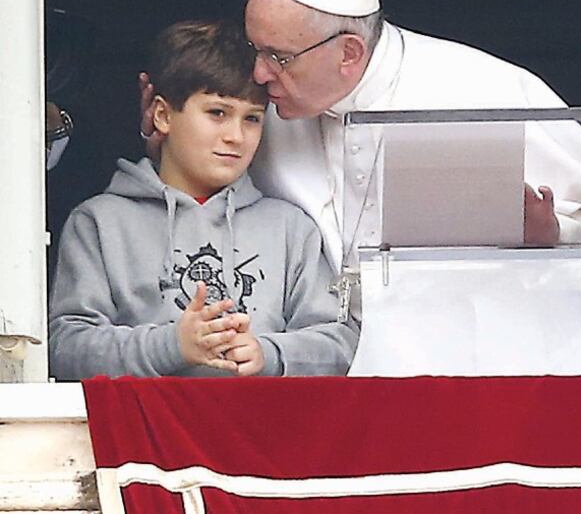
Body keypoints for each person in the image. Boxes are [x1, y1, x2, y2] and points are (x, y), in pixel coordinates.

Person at [140, 0, 581, 282]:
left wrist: (554, 234)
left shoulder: (481, 88)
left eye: (278, 56)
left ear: (348, 54)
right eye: (255, 49)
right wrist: (169, 149)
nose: (258, 73)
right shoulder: (259, 109)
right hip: (319, 369)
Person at [49, 20, 357, 379]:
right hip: (144, 431)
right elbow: (66, 347)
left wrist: (268, 354)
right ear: (163, 115)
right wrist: (171, 346)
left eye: (253, 119)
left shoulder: (291, 228)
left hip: (262, 429)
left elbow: (338, 344)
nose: (236, 136)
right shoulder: (99, 222)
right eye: (217, 113)